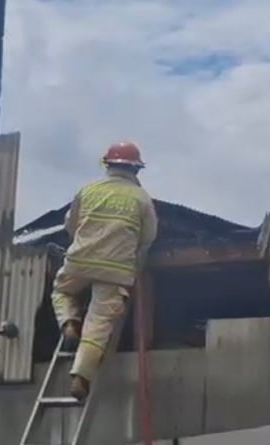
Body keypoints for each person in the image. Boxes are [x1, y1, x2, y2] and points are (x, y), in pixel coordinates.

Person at [51, 140, 158, 400]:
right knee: (99, 322)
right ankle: (81, 376)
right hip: (117, 268)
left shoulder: (87, 190)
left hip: (80, 259)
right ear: (136, 170)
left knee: (62, 291)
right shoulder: (141, 198)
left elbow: (71, 225)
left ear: (107, 165)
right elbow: (148, 237)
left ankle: (68, 322)